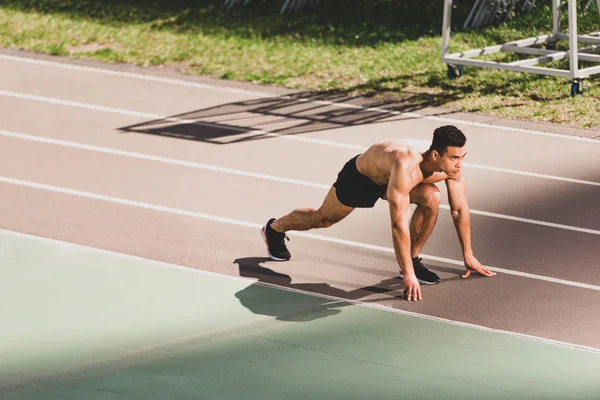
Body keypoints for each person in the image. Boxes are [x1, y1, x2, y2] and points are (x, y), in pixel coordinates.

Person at [261, 125, 496, 301]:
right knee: (323, 218)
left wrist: (468, 254)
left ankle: (411, 261)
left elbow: (459, 209)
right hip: (363, 177)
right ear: (436, 156)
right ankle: (274, 229)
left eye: (462, 157)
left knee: (432, 197)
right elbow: (398, 224)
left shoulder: (452, 169)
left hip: (393, 181)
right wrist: (408, 278)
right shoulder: (407, 165)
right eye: (454, 158)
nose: (459, 164)